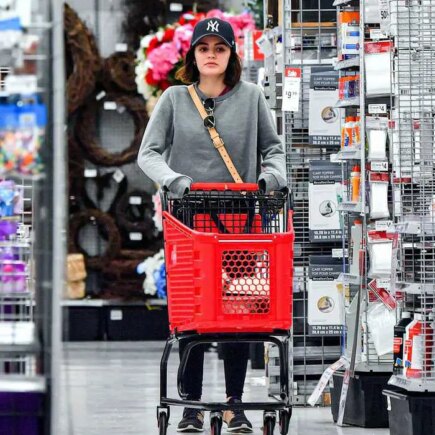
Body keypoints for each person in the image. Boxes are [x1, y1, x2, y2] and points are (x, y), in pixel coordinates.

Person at [138, 17, 286, 433]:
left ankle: (234, 404)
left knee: (238, 315)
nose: (211, 55)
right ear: (193, 55)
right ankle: (190, 405)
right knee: (192, 315)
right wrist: (175, 181)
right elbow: (148, 154)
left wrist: (269, 179)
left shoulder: (252, 97)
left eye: (219, 48)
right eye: (203, 48)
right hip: (189, 222)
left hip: (241, 221)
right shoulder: (173, 99)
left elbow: (274, 150)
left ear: (231, 54)